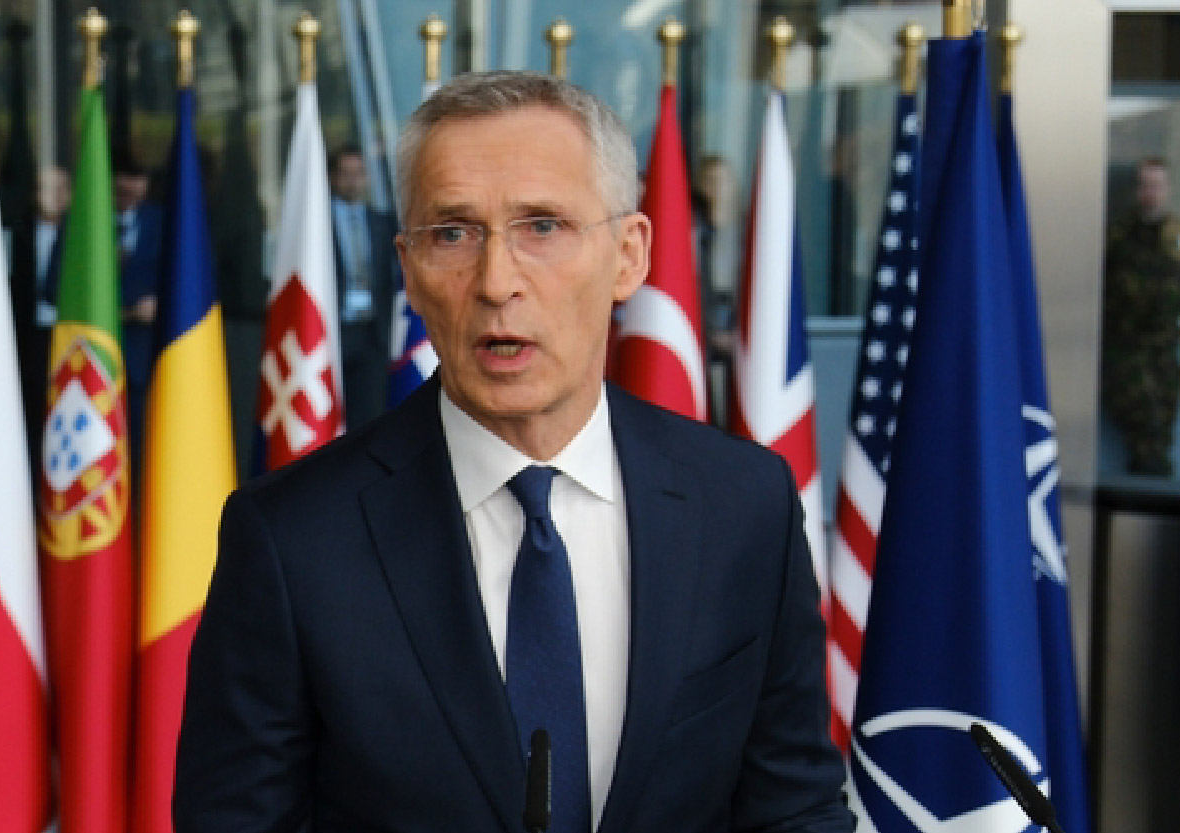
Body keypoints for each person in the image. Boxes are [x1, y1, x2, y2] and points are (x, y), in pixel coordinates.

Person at [175, 72, 849, 833]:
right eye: (453, 233)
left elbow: (794, 808)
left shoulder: (744, 503)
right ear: (409, 271)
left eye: (543, 226)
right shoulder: (292, 539)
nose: (496, 281)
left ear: (629, 255)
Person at [1103, 158, 1180, 477]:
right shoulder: (1118, 235)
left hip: (1164, 350)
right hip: (1127, 349)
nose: (1151, 193)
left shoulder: (1178, 234)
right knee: (1146, 428)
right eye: (1146, 185)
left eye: (1157, 186)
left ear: (1167, 190)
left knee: (1162, 427)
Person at [329, 147, 400, 427]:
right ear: (332, 177)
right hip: (334, 333)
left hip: (373, 334)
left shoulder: (383, 222)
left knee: (369, 418)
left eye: (359, 174)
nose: (353, 181)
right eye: (346, 174)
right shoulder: (319, 223)